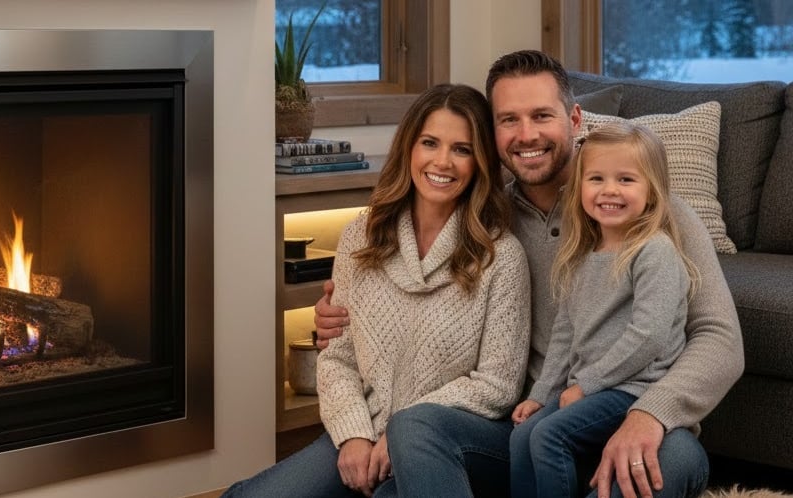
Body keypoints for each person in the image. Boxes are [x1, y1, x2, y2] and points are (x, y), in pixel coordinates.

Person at [313, 50, 743, 498]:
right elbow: (410, 289)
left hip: (638, 418)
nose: (526, 135)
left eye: (541, 115)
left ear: (575, 119)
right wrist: (338, 314)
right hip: (530, 428)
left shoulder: (656, 215)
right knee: (414, 431)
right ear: (491, 135)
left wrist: (651, 415)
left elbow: (720, 339)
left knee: (664, 465)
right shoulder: (486, 218)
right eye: (508, 120)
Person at [224, 84, 531, 497]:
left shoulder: (502, 257)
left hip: (443, 438)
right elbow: (337, 358)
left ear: (480, 162)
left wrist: (402, 432)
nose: (443, 161)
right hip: (361, 427)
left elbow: (497, 384)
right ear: (409, 148)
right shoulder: (360, 237)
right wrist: (353, 436)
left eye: (462, 149)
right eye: (429, 143)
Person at [509, 121, 700, 498]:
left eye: (626, 180)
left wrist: (587, 386)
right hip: (590, 389)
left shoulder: (654, 251)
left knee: (549, 436)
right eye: (596, 178)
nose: (609, 190)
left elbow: (648, 336)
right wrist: (541, 393)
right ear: (579, 187)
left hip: (634, 390)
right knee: (522, 437)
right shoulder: (581, 256)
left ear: (652, 190)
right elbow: (565, 333)